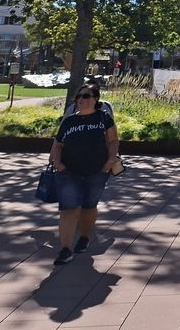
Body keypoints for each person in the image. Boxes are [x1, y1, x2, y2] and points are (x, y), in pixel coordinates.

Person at [49, 83, 119, 265]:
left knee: (89, 206)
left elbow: (113, 140)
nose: (81, 100)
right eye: (78, 97)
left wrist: (109, 162)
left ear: (95, 100)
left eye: (86, 96)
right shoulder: (69, 121)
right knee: (68, 208)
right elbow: (58, 143)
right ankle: (66, 248)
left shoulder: (103, 117)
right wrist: (58, 163)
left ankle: (84, 237)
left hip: (96, 170)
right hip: (69, 171)